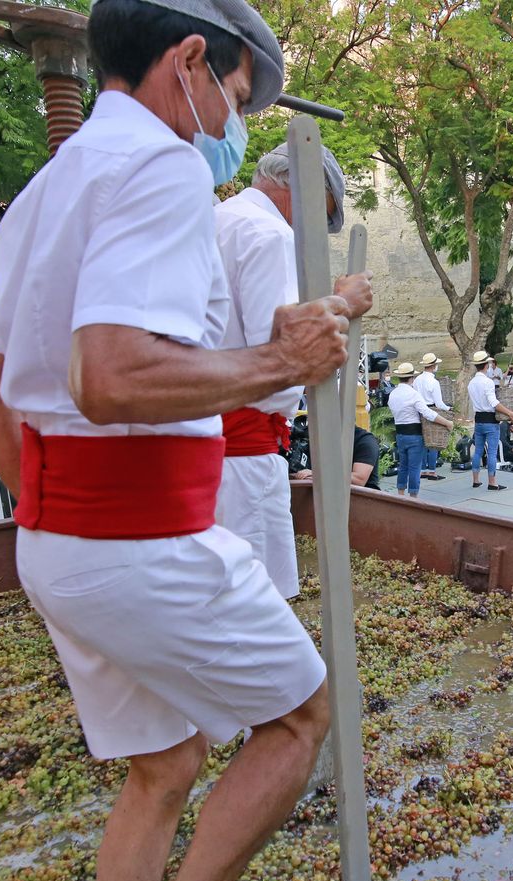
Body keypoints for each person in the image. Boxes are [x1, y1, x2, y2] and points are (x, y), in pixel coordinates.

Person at [0, 1, 376, 881]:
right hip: (142, 540)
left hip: (58, 539)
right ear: (188, 62)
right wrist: (281, 358)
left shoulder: (50, 185)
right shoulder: (161, 164)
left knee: (167, 765)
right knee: (301, 717)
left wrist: (55, 518)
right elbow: (110, 375)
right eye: (231, 93)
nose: (229, 124)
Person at [212, 140, 346, 601]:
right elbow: (280, 356)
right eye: (319, 212)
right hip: (245, 449)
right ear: (302, 191)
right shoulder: (268, 234)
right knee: (257, 606)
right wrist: (343, 306)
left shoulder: (218, 220)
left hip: (210, 448)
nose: (310, 232)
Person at [387, 362, 453, 497]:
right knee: (414, 468)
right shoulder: (413, 394)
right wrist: (446, 422)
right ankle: (413, 496)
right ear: (411, 378)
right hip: (414, 435)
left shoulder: (393, 394)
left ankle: (400, 494)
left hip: (400, 434)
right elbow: (427, 413)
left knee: (403, 466)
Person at [468, 350, 513, 490]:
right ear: (486, 365)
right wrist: (510, 413)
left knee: (478, 450)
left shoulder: (471, 383)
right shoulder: (488, 382)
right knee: (491, 452)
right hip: (490, 420)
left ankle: (476, 480)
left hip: (478, 419)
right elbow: (493, 402)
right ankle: (492, 482)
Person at [291, 425, 383, 491]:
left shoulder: (365, 441)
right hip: (324, 495)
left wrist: (319, 474)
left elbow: (358, 479)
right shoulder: (321, 436)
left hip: (361, 499)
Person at [414, 352, 450, 480]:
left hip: (419, 411)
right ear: (434, 365)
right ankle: (431, 470)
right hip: (432, 409)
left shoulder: (417, 379)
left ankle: (423, 468)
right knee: (434, 440)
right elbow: (439, 403)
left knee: (423, 441)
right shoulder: (434, 382)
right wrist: (448, 409)